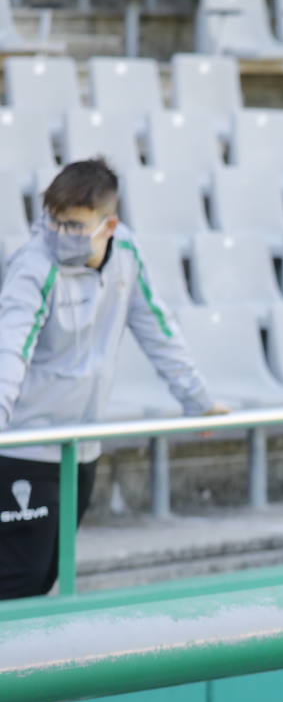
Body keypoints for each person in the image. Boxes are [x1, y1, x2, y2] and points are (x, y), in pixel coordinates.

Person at [0, 158, 228, 600]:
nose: (59, 234)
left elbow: (157, 329)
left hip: (83, 447)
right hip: (25, 448)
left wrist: (197, 400)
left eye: (73, 225)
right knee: (18, 582)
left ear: (108, 225)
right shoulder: (32, 265)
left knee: (47, 575)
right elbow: (11, 346)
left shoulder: (126, 254)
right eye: (54, 221)